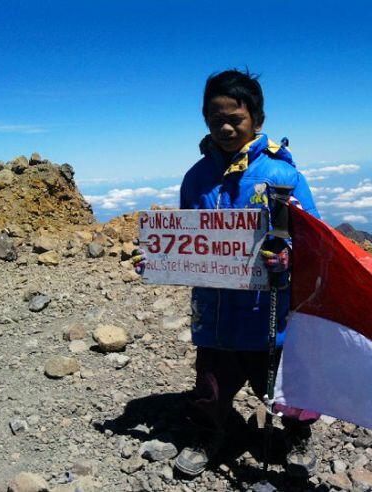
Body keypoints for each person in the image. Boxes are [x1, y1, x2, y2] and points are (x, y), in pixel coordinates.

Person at [133, 69, 320, 478]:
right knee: (211, 383)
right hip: (215, 310)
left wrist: (288, 257)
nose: (226, 126)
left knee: (283, 384)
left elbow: (311, 237)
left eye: (235, 117)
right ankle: (208, 432)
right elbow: (188, 236)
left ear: (257, 118)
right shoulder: (196, 178)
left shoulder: (282, 176)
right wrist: (162, 260)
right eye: (215, 118)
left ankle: (296, 433)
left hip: (266, 309)